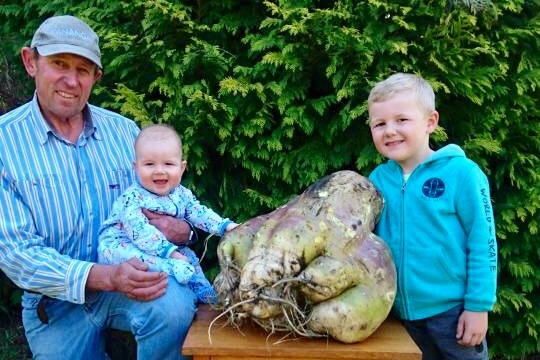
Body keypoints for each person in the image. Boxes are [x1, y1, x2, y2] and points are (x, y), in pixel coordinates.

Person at [0, 15, 199, 359]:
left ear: (96, 77)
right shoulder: (5, 142)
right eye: (59, 64)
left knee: (175, 308)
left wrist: (185, 230)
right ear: (30, 62)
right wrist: (104, 275)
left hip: (132, 281)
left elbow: (168, 198)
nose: (71, 80)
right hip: (54, 304)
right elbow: (16, 253)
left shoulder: (124, 132)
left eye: (83, 69)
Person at [367, 72, 497, 360]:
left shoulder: (462, 174)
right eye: (379, 124)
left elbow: (483, 243)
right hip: (397, 316)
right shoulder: (376, 180)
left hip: (453, 314)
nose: (389, 130)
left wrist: (478, 306)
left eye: (401, 120)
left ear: (430, 122)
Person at [98, 124, 238, 304]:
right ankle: (170, 267)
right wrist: (171, 254)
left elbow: (199, 212)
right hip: (121, 245)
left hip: (161, 246)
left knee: (190, 259)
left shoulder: (181, 193)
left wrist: (225, 227)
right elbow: (140, 232)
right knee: (148, 260)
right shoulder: (132, 198)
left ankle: (204, 291)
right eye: (149, 164)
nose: (159, 171)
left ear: (181, 167)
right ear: (136, 167)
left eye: (168, 164)